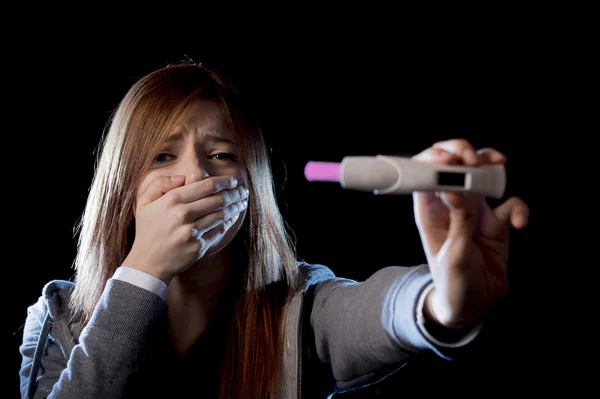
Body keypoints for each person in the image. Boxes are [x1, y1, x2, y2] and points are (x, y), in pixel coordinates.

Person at [18, 61, 529, 399]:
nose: (198, 176)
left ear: (253, 186)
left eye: (222, 155)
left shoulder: (299, 308)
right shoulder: (59, 319)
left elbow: (380, 310)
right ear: (122, 185)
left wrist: (446, 303)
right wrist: (142, 272)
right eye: (163, 156)